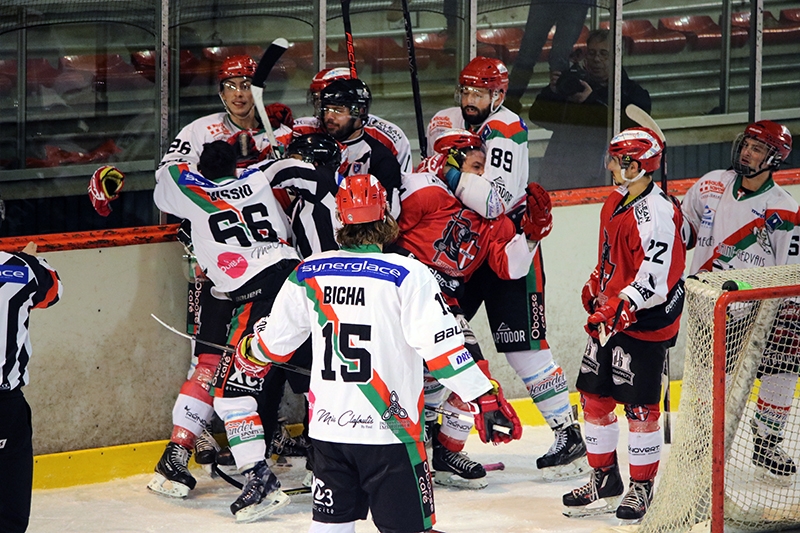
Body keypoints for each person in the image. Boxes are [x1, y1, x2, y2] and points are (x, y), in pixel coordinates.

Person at [232, 174, 522, 533]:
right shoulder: (409, 273)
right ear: (386, 216)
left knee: (330, 528)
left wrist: (251, 348)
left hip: (329, 434)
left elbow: (272, 346)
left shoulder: (308, 273)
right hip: (391, 435)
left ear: (339, 219)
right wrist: (484, 395)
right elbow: (442, 351)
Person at [428, 56, 588, 482]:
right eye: (465, 91)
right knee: (437, 339)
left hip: (506, 240)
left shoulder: (508, 130)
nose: (469, 100)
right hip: (459, 244)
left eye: (478, 93)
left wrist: (445, 170)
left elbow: (492, 201)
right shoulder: (444, 120)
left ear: (497, 95)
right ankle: (436, 441)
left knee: (523, 346)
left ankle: (567, 433)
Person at [153, 140, 320, 522]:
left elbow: (166, 181)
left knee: (227, 389)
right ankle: (333, 462)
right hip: (299, 281)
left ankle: (258, 478)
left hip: (255, 292)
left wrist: (181, 159)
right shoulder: (257, 177)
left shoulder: (194, 192)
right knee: (318, 376)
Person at [393, 129, 547, 488]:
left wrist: (533, 234)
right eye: (476, 166)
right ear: (451, 164)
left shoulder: (493, 219)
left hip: (446, 299)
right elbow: (385, 235)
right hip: (405, 291)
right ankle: (395, 449)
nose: (483, 177)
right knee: (400, 374)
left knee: (471, 373)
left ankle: (445, 452)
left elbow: (511, 268)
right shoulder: (424, 191)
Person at [563, 127, 686, 520]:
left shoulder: (659, 215)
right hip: (611, 314)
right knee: (593, 398)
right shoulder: (614, 201)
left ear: (639, 165)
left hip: (645, 318)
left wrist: (623, 303)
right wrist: (595, 284)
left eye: (621, 159)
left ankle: (641, 486)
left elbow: (657, 275)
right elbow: (610, 258)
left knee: (639, 408)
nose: (613, 165)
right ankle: (603, 479)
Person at [682, 120, 800, 478]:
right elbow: (684, 228)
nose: (747, 152)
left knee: (783, 369)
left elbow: (790, 271)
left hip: (760, 309)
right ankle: (701, 441)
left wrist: (786, 314)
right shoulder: (711, 183)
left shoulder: (784, 209)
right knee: (708, 376)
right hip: (709, 300)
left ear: (774, 158)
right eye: (746, 144)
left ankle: (767, 441)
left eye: (758, 148)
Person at [528, 29, 652, 189]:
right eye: (592, 53)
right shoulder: (574, 85)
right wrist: (552, 92)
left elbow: (631, 131)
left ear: (617, 56)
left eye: (603, 53)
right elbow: (537, 116)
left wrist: (591, 101)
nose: (596, 59)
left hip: (604, 176)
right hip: (559, 172)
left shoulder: (632, 93)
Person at [0, 236, 63, 533]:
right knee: (9, 513)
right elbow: (52, 292)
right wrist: (30, 261)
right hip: (4, 410)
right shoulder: (24, 269)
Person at [294, 68, 413, 175]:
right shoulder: (305, 127)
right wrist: (279, 128)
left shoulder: (391, 137)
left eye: (337, 108)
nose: (328, 115)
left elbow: (405, 185)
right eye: (320, 101)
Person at [318, 78, 403, 217]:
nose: (329, 117)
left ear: (360, 112)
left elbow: (390, 215)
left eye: (338, 110)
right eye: (326, 109)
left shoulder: (380, 158)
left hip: (358, 235)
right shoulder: (316, 149)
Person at [504, 0, 592, 114]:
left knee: (559, 58)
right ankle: (510, 106)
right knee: (527, 55)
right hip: (547, 2)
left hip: (576, 3)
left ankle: (561, 109)